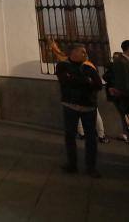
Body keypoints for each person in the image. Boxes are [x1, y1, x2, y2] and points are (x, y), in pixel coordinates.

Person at [56, 43, 103, 178]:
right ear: (73, 53)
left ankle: (91, 167)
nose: (85, 54)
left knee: (91, 138)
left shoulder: (89, 66)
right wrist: (86, 81)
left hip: (89, 106)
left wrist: (80, 80)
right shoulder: (63, 65)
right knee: (70, 135)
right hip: (70, 105)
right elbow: (65, 81)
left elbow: (98, 84)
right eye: (82, 52)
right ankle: (72, 164)